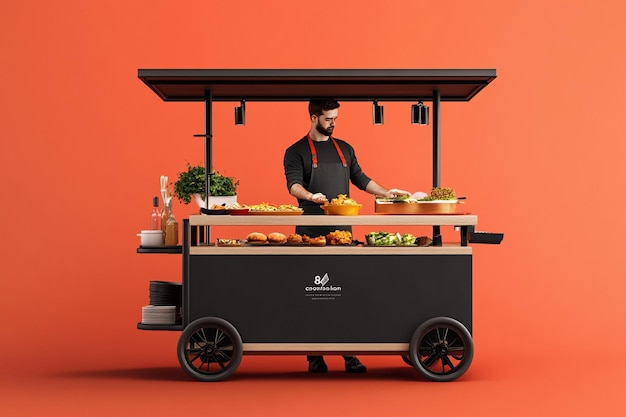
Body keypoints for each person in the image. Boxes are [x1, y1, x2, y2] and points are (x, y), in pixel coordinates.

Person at [283, 99, 409, 373]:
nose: (333, 123)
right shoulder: (296, 151)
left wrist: (387, 193)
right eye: (328, 119)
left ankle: (349, 354)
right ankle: (314, 356)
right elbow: (293, 185)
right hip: (310, 235)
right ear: (314, 117)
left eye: (335, 118)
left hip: (343, 233)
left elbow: (361, 179)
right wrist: (310, 196)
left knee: (346, 296)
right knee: (314, 296)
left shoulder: (345, 150)